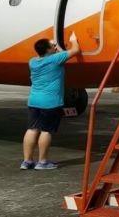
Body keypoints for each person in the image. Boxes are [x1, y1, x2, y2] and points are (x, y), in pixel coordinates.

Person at [21, 33, 80, 170]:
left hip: (34, 101)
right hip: (50, 102)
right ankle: (42, 162)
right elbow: (75, 50)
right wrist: (73, 40)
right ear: (49, 50)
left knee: (32, 129)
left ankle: (27, 161)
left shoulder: (33, 61)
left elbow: (52, 54)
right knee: (46, 131)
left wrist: (53, 47)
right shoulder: (56, 59)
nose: (55, 47)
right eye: (52, 46)